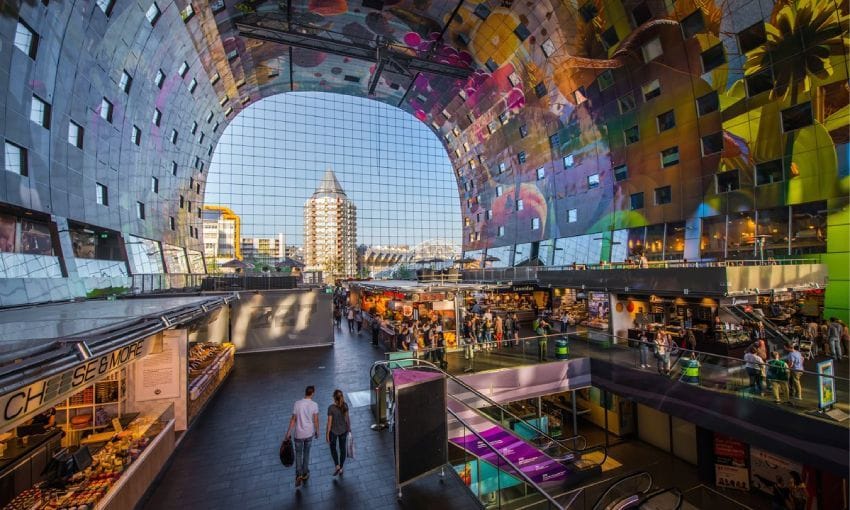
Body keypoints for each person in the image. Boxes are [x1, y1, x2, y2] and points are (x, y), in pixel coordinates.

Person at [285, 386, 320, 487]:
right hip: (309, 433)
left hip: (298, 434)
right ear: (312, 393)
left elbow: (293, 420)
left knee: (298, 454)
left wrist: (288, 433)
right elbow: (316, 420)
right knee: (306, 453)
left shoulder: (297, 403)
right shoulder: (314, 405)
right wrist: (317, 431)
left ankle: (298, 475)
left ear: (305, 393)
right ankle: (305, 473)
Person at [326, 389, 350, 477]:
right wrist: (349, 429)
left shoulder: (331, 408)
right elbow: (347, 419)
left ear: (334, 398)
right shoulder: (345, 406)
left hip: (333, 432)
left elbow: (329, 423)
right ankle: (341, 467)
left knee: (333, 448)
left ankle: (337, 465)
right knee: (342, 449)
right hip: (344, 430)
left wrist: (327, 434)